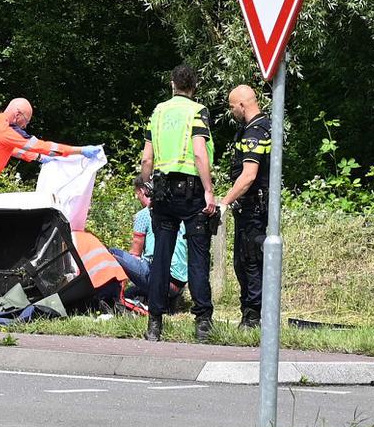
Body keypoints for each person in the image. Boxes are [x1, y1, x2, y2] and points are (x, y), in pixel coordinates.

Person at [137, 64, 217, 342]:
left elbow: (147, 159)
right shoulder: (197, 111)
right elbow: (199, 153)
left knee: (161, 257)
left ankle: (154, 324)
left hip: (162, 193)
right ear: (193, 87)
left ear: (172, 84)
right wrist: (209, 190)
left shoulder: (157, 112)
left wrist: (143, 185)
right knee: (197, 256)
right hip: (191, 192)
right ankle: (203, 323)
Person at [0, 98, 95, 199]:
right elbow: (42, 146)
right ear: (17, 114)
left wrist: (37, 158)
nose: (25, 126)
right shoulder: (6, 129)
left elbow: (7, 148)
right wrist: (79, 150)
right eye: (26, 121)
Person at [220, 85, 272, 327]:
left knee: (250, 261)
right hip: (253, 207)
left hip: (254, 208)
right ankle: (250, 315)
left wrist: (225, 201)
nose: (232, 112)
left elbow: (249, 175)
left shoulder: (255, 131)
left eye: (232, 107)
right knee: (246, 261)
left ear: (242, 104)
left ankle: (252, 318)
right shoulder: (264, 126)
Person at [111, 173, 188, 309]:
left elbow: (135, 253)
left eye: (137, 194)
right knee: (132, 292)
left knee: (111, 253)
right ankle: (165, 300)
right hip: (180, 283)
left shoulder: (144, 214)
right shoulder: (176, 212)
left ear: (142, 191)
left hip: (162, 279)